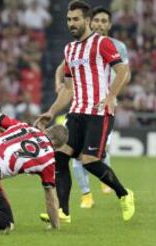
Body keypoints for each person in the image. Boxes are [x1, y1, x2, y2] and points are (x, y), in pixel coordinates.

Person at [35, 0, 135, 223]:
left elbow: (122, 70)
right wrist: (51, 112)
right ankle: (63, 212)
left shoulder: (101, 43)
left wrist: (110, 97)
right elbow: (68, 88)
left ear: (87, 21)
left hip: (98, 113)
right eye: (69, 19)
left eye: (76, 19)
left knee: (89, 160)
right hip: (76, 113)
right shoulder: (69, 49)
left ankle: (125, 194)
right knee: (60, 157)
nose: (71, 23)